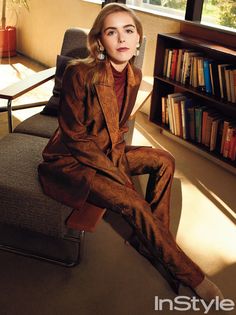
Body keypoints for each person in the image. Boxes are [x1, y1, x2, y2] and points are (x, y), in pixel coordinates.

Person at [38, 3, 223, 302]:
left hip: (107, 152)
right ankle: (192, 276)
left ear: (138, 38)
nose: (122, 39)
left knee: (165, 159)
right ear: (100, 41)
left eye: (129, 30)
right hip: (71, 162)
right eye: (112, 32)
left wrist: (118, 163)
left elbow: (117, 128)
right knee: (132, 200)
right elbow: (75, 138)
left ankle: (153, 242)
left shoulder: (135, 76)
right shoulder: (79, 73)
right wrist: (117, 173)